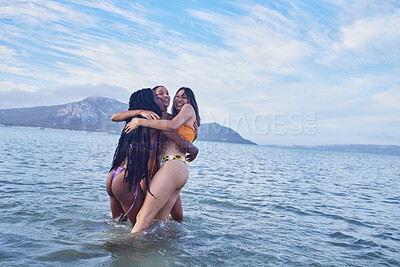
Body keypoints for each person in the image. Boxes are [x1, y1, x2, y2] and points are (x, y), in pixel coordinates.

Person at [106, 88, 198, 226]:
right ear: (151, 102)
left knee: (115, 226)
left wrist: (139, 113)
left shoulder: (133, 119)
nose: (163, 97)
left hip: (114, 174)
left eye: (166, 94)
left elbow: (115, 117)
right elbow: (181, 142)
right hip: (126, 180)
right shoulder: (156, 124)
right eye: (158, 96)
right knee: (143, 226)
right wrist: (194, 148)